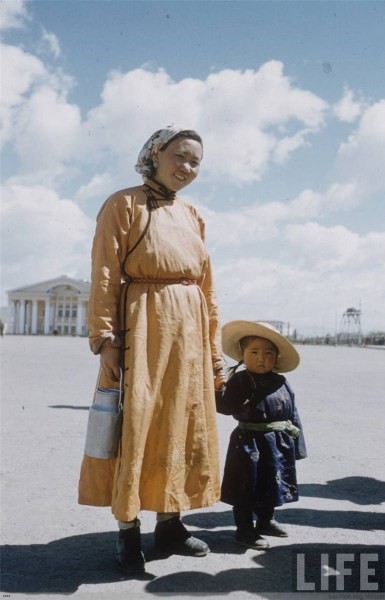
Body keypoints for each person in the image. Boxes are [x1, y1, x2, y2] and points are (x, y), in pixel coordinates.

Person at [78, 125, 225, 574]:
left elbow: (208, 286)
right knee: (137, 422)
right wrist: (106, 338)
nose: (187, 168)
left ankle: (171, 523)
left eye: (195, 162)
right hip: (141, 324)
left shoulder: (193, 214)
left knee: (181, 422)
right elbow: (104, 273)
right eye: (180, 156)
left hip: (189, 331)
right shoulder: (123, 204)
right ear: (155, 154)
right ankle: (127, 530)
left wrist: (213, 351)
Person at [216, 320, 306, 550]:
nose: (261, 358)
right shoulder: (239, 380)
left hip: (277, 444)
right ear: (242, 355)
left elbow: (292, 416)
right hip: (247, 445)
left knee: (272, 483)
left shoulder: (281, 382)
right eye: (254, 352)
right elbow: (225, 407)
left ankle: (266, 521)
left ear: (276, 357)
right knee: (246, 488)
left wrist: (297, 446)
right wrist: (217, 389)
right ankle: (244, 530)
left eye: (268, 353)